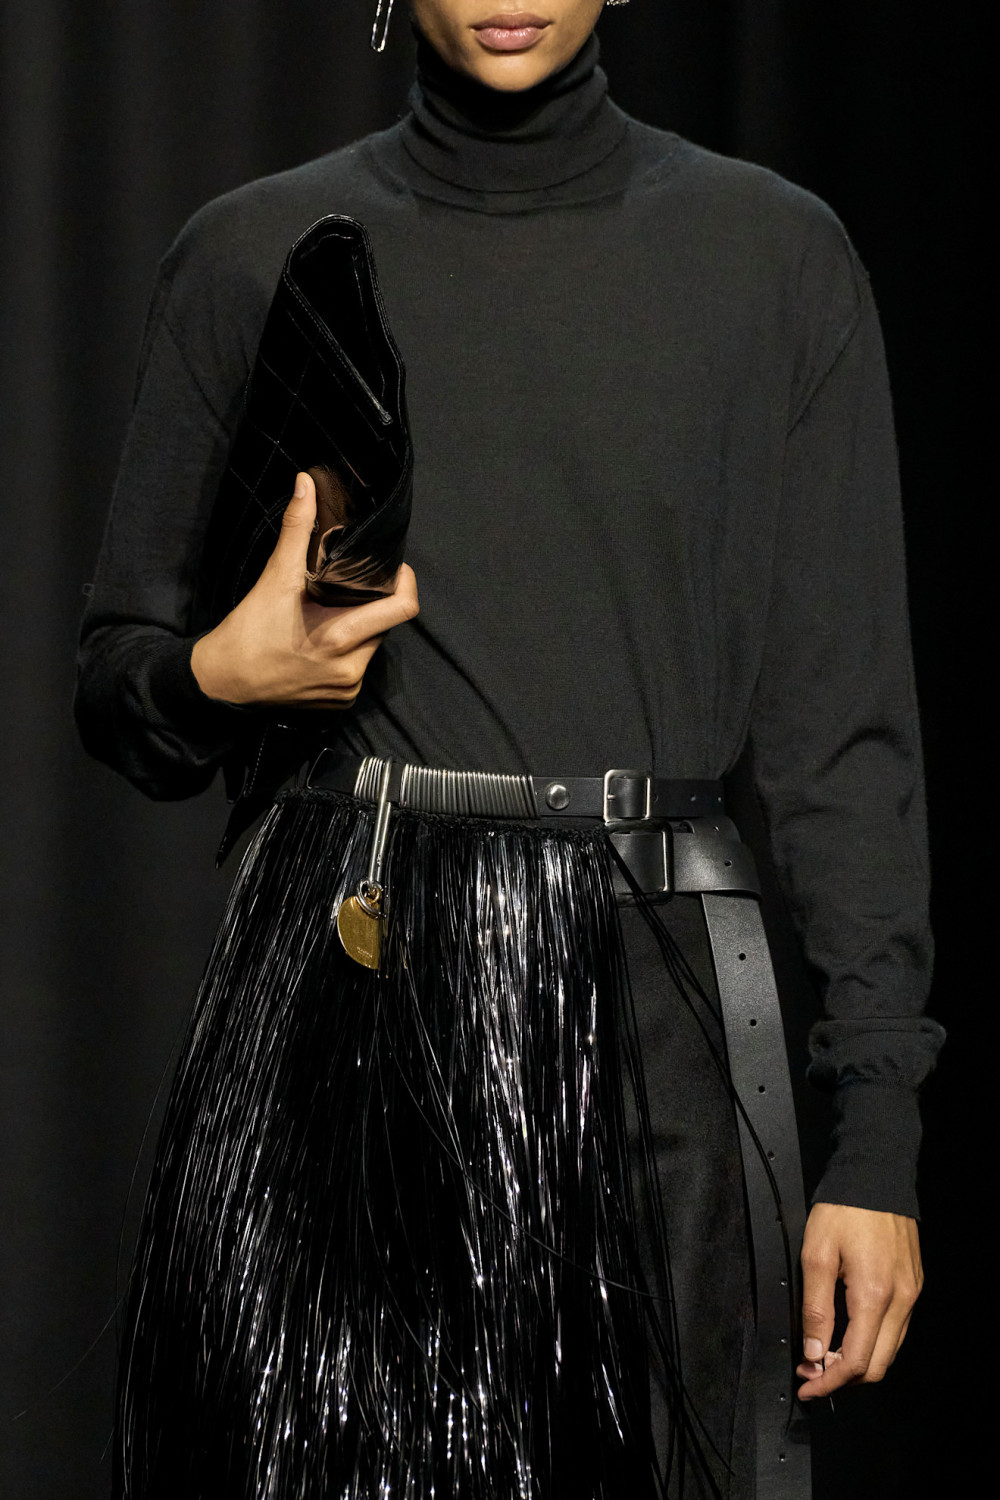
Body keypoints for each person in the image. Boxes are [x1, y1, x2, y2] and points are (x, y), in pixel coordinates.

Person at [76, 3, 943, 1496]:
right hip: (342, 1007)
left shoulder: (773, 259)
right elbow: (119, 684)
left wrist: (877, 1138)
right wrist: (224, 674)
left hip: (659, 1003)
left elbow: (841, 740)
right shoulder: (252, 251)